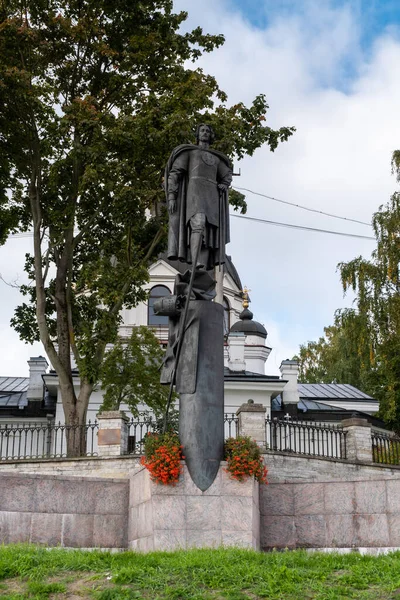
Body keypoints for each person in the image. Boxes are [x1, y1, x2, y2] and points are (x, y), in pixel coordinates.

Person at [164, 124, 233, 270]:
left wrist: (224, 184)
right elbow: (174, 174)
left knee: (209, 231)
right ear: (197, 134)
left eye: (208, 131)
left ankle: (202, 267)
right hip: (194, 194)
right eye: (202, 131)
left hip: (212, 196)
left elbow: (226, 174)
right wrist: (171, 196)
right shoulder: (189, 153)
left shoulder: (216, 158)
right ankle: (195, 262)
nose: (205, 133)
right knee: (198, 224)